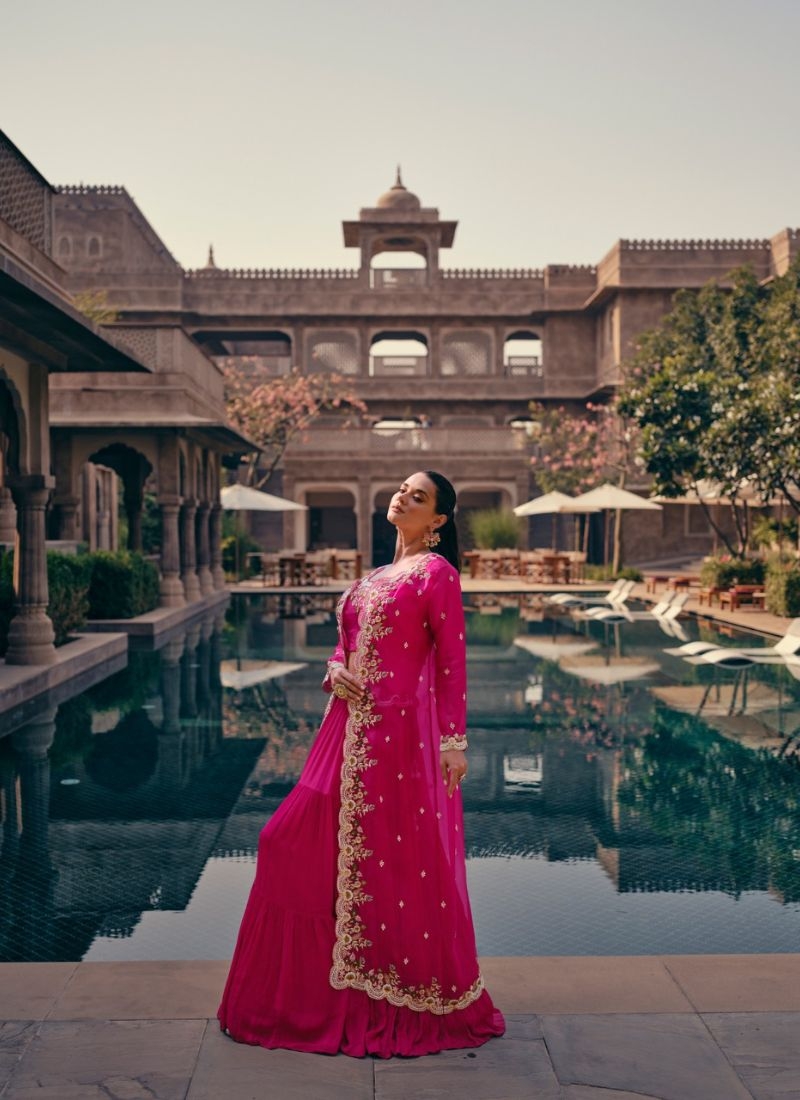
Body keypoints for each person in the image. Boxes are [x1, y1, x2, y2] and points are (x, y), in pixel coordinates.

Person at [218, 470, 505, 1058]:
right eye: (403, 489)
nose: (403, 497)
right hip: (344, 731)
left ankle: (371, 999)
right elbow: (343, 648)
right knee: (288, 842)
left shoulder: (437, 574)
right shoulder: (373, 578)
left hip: (397, 742)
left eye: (418, 497)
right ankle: (305, 998)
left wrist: (454, 742)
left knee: (389, 867)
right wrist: (334, 669)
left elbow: (451, 662)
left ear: (438, 522)